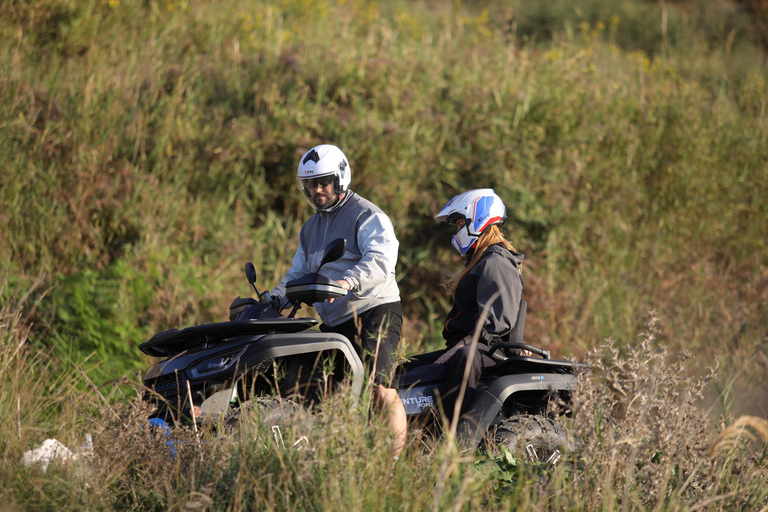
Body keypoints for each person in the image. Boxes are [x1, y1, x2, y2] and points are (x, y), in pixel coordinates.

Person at [268, 144, 407, 458]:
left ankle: (393, 463)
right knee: (324, 392)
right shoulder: (311, 228)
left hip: (374, 310)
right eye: (310, 185)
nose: (317, 189)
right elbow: (298, 272)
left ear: (340, 177)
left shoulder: (367, 214)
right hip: (334, 321)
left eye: (323, 182)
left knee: (380, 389)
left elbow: (382, 261)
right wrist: (272, 299)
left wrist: (347, 282)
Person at [433, 188, 526, 424]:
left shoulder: (496, 261)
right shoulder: (482, 260)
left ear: (477, 219)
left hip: (486, 348)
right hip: (472, 344)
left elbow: (497, 321)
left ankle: (451, 437)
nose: (457, 230)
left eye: (460, 223)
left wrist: (463, 344)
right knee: (408, 367)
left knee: (466, 356)